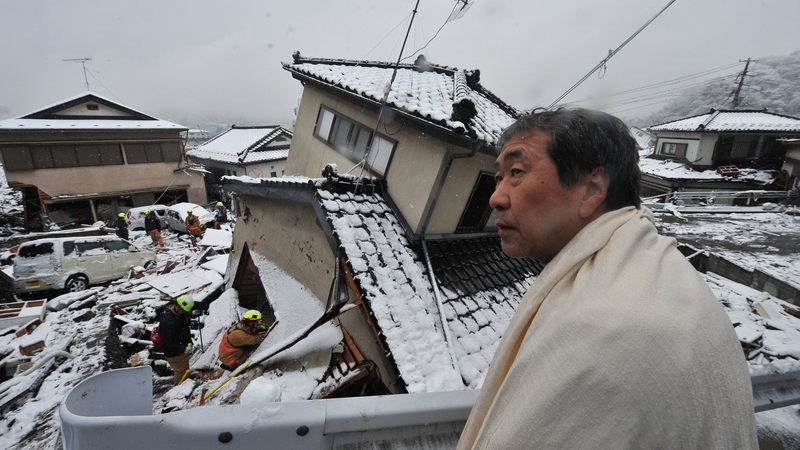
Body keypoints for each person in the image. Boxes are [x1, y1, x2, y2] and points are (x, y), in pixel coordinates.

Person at [457, 108, 757, 449]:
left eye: (516, 172)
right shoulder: (659, 269)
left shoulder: (607, 324)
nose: (496, 197)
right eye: (499, 177)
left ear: (591, 190)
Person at [158, 295, 194, 385]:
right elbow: (168, 342)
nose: (184, 313)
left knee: (185, 370)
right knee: (181, 372)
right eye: (183, 311)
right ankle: (180, 388)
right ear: (177, 307)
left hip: (181, 349)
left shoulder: (178, 315)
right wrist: (183, 349)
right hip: (174, 353)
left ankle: (186, 384)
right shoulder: (168, 321)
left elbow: (184, 329)